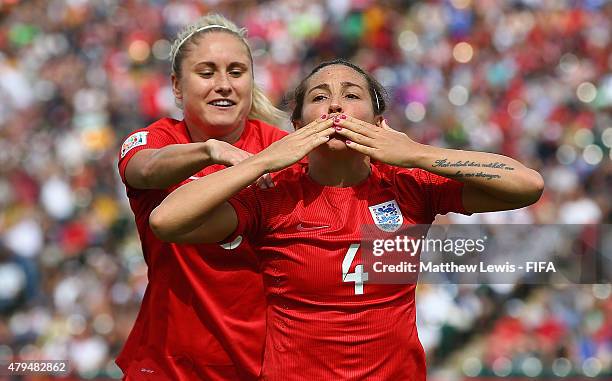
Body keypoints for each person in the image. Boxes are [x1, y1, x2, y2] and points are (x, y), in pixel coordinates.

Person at [149, 59, 544, 380]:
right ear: (299, 126)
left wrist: (417, 153)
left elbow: (527, 184)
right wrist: (265, 160)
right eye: (320, 97)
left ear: (377, 123)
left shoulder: (409, 184)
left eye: (351, 95)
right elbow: (166, 221)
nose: (335, 106)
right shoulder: (273, 195)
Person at [116, 14, 288, 380]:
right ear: (177, 87)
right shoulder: (157, 139)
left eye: (237, 72)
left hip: (262, 364)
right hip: (167, 364)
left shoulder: (279, 149)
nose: (223, 85)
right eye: (207, 73)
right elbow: (144, 169)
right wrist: (211, 151)